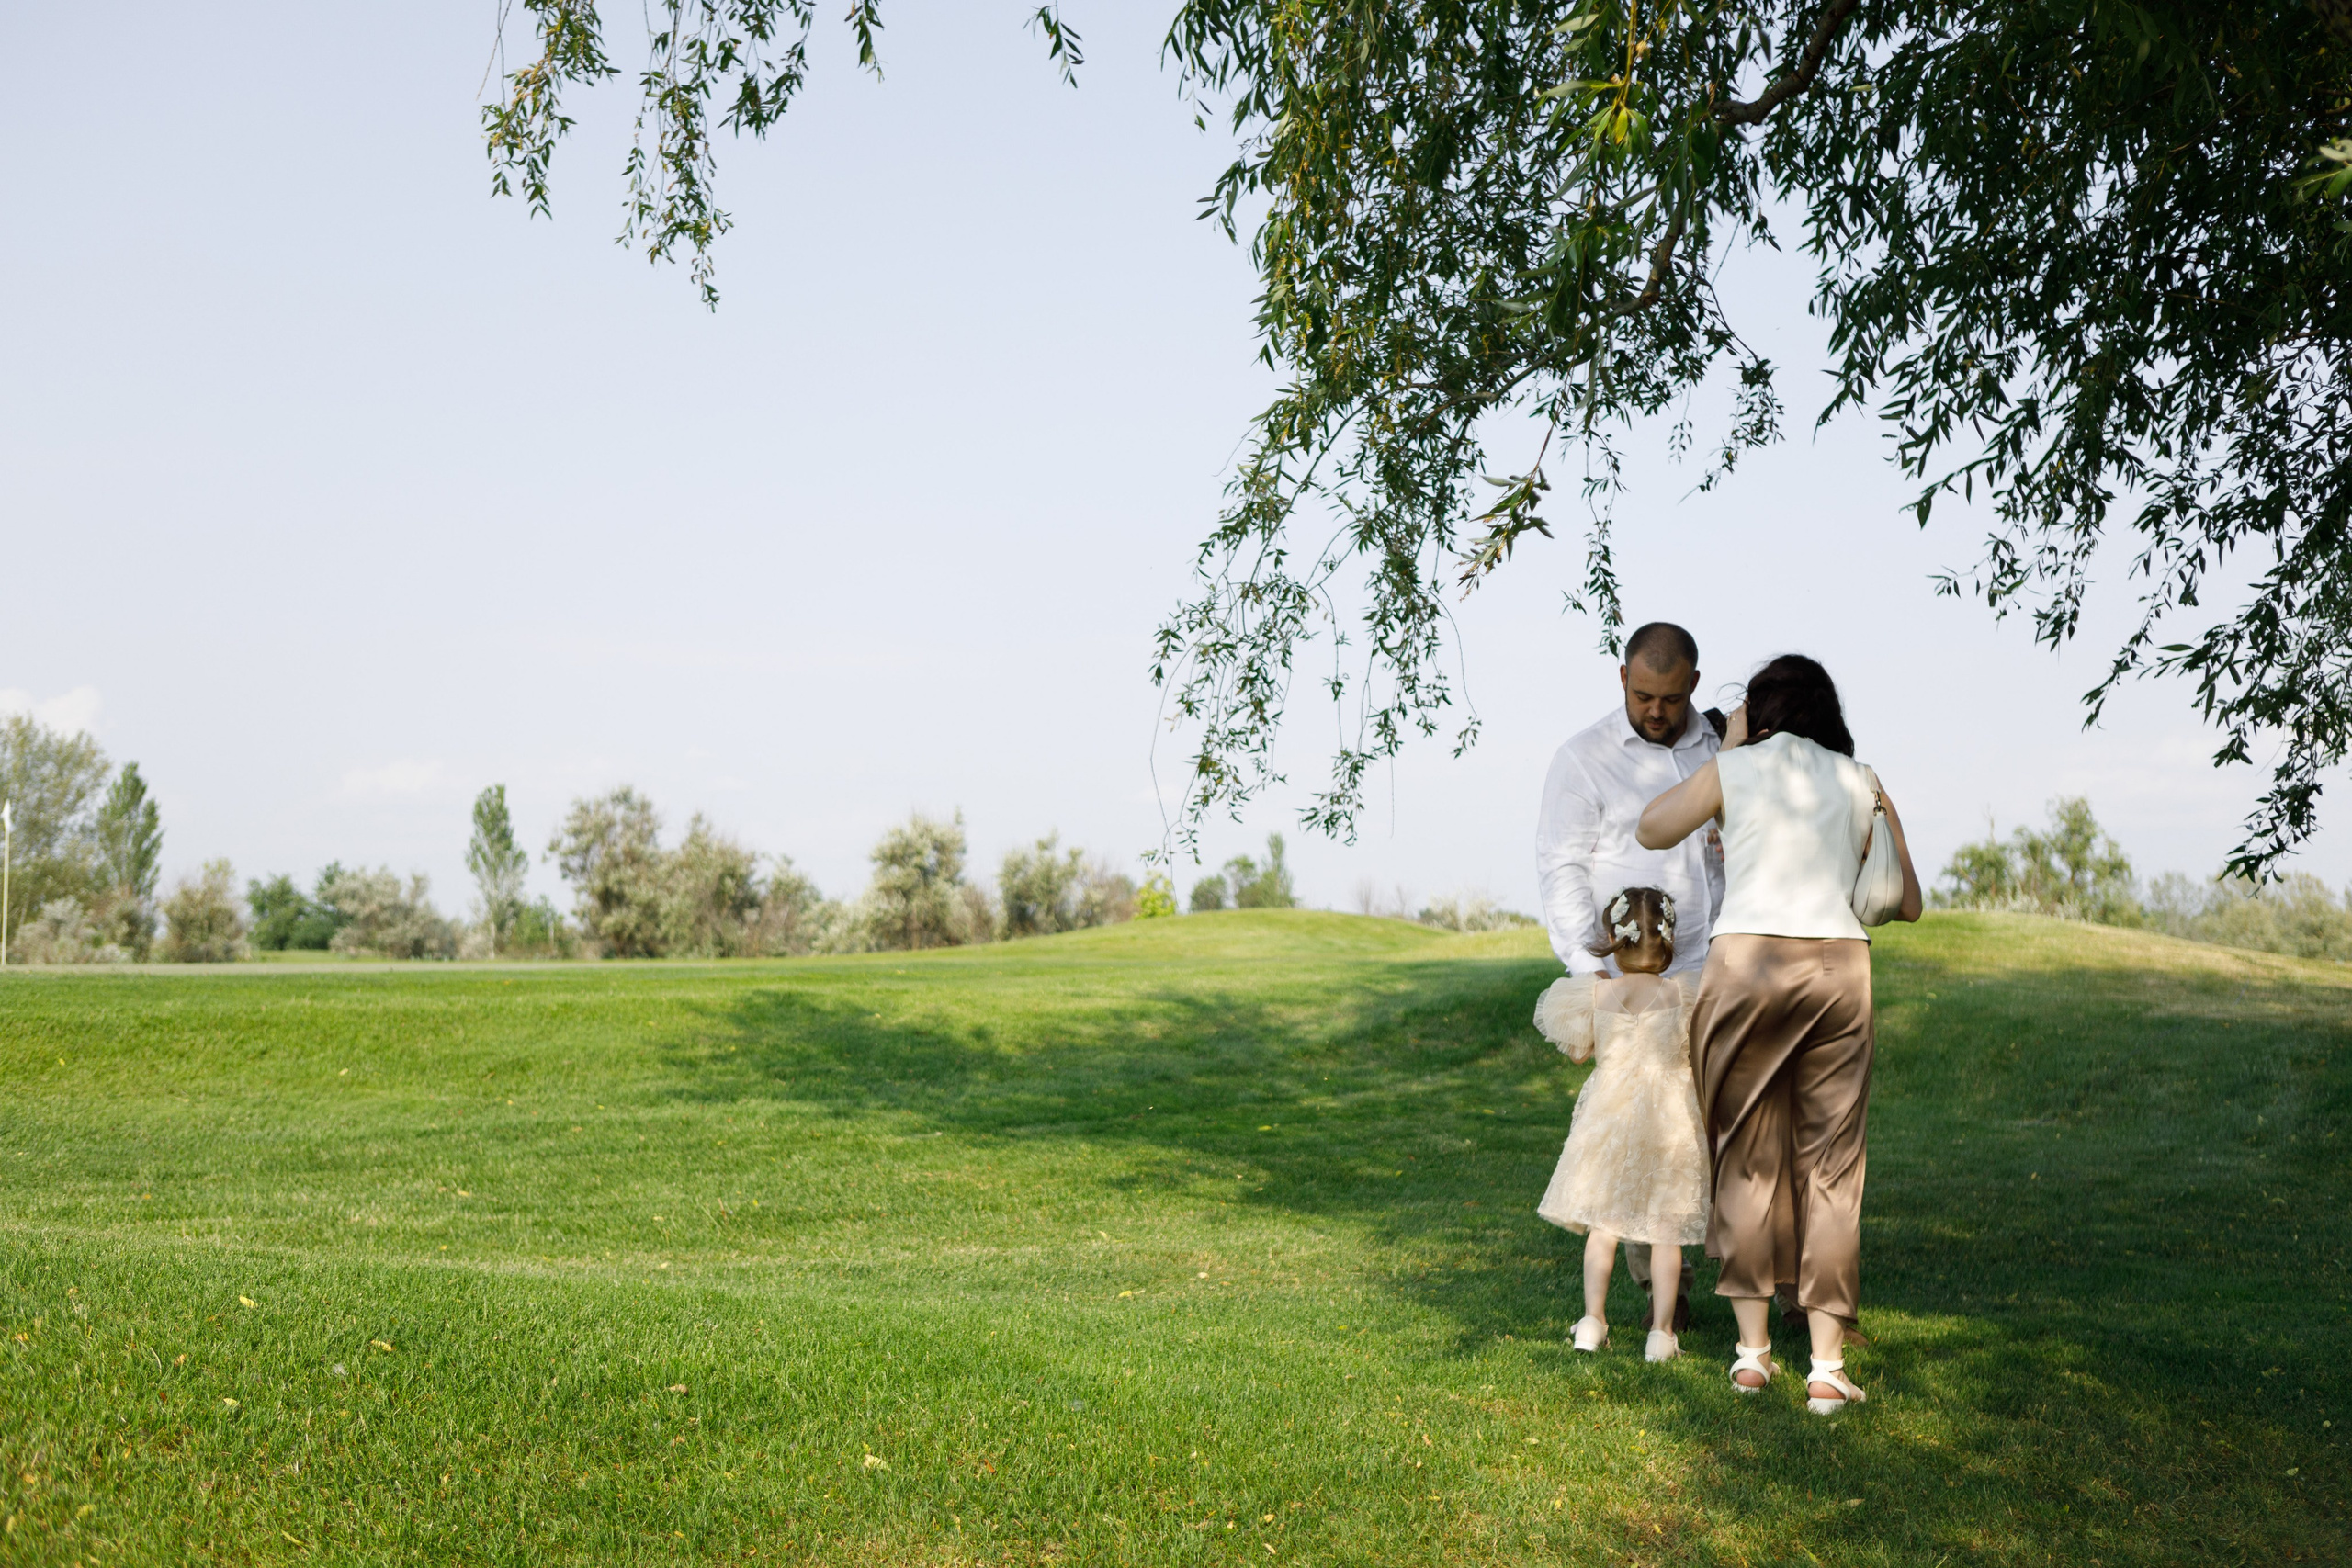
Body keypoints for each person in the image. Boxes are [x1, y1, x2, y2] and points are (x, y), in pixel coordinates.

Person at [1635, 653, 1922, 1415]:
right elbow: (1910, 901)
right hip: (1839, 967)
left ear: (1755, 711)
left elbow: (1652, 824)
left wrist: (1728, 751)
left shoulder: (1738, 766)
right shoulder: (1861, 778)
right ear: (1826, 711)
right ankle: (1826, 1370)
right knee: (1833, 1167)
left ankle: (1752, 1356)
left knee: (1746, 1155)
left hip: (1746, 963)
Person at [1535, 620, 1723, 1327]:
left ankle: (1737, 1269)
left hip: (1713, 961)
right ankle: (1654, 1288)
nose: (1656, 710)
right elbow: (1561, 863)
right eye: (1644, 694)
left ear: (1693, 687)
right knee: (1639, 1123)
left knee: (1703, 1126)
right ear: (1622, 679)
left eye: (1671, 699)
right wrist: (1592, 971)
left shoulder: (1718, 746)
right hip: (1630, 971)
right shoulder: (1583, 759)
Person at [1531, 887, 1711, 1363]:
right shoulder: (1684, 992)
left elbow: (1578, 1051)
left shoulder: (1596, 993)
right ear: (1668, 938)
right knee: (1665, 1226)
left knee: (1604, 1223)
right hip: (1670, 1117)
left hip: (1609, 1115)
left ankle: (1592, 1322)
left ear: (1614, 937)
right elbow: (1698, 1050)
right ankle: (1662, 1334)